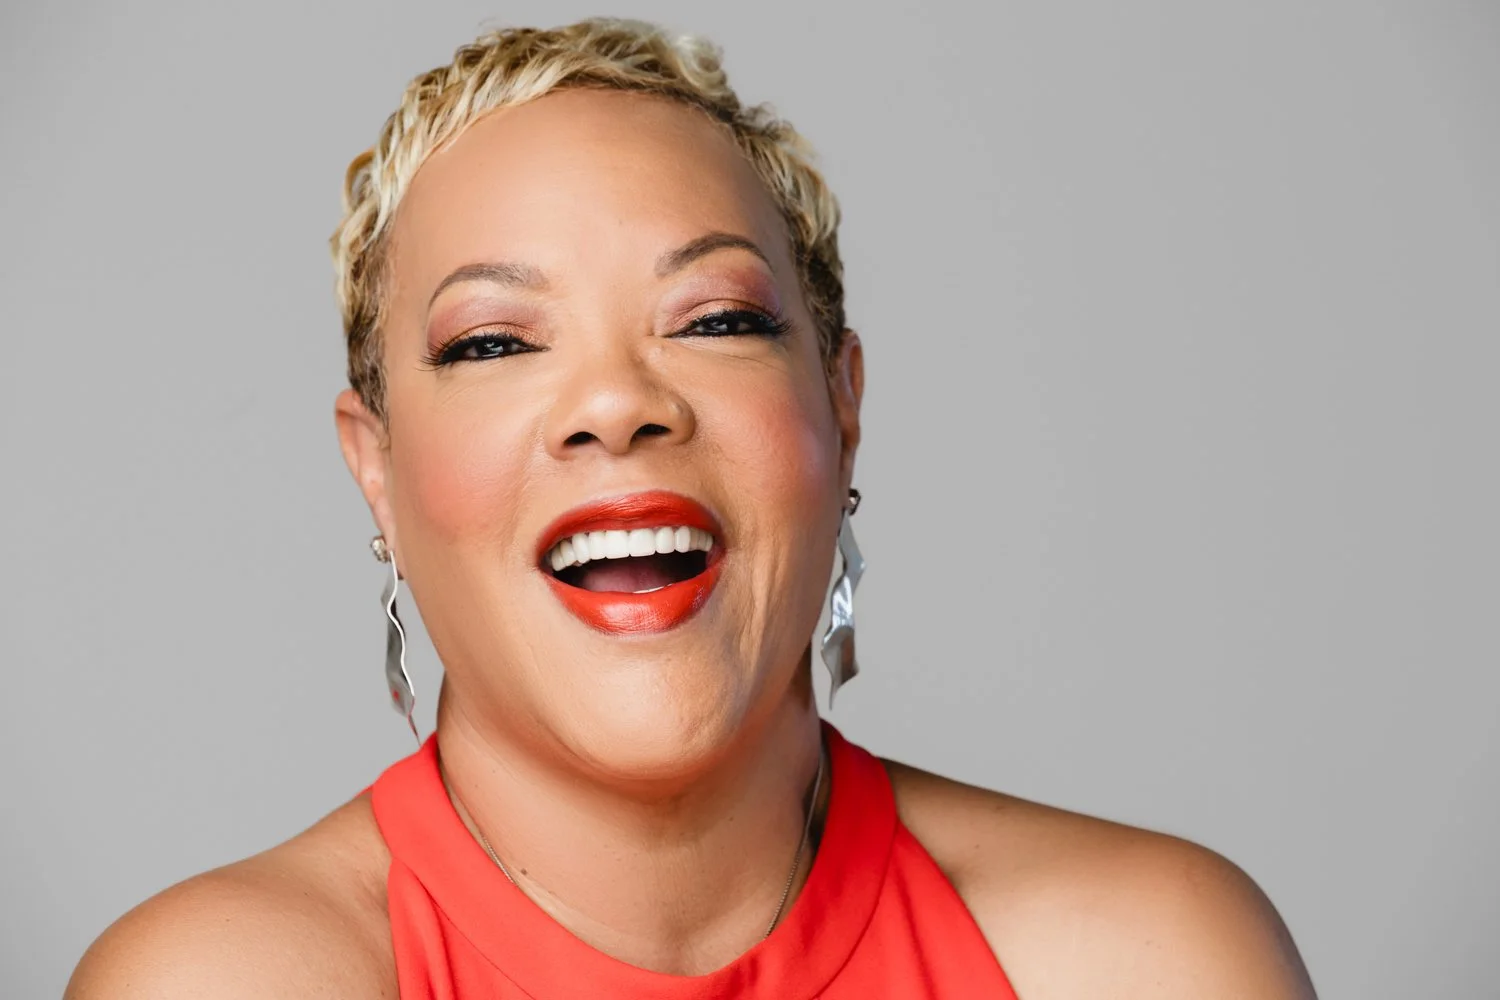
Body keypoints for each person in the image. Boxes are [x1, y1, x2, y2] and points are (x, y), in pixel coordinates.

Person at [66, 18, 1316, 999]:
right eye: (497, 341)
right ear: (375, 466)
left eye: (716, 320)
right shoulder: (220, 982)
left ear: (843, 403)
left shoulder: (1151, 959)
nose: (615, 402)